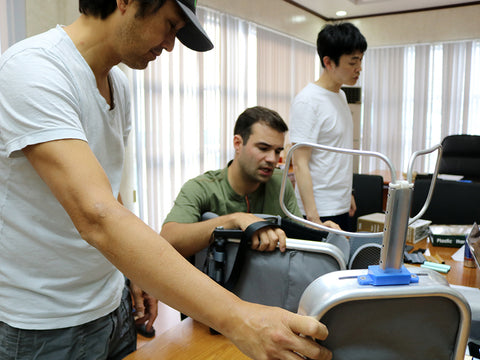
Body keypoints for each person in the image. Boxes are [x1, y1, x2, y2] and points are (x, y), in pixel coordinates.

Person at [0, 1, 332, 359]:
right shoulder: (34, 69)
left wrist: (131, 272)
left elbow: (109, 195)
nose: (170, 45)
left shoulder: (119, 86)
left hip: (112, 305)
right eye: (169, 25)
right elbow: (96, 215)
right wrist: (238, 317)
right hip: (45, 323)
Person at [161, 105, 313, 257]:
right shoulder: (201, 188)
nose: (272, 159)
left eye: (277, 151)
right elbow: (167, 241)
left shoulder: (280, 183)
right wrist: (234, 220)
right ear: (238, 144)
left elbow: (301, 237)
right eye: (263, 148)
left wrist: (320, 231)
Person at [289, 22, 367, 231]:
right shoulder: (308, 101)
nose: (359, 68)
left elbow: (338, 152)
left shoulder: (340, 95)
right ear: (329, 62)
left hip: (340, 204)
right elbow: (300, 164)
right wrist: (314, 220)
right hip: (319, 211)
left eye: (360, 60)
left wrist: (348, 193)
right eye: (353, 62)